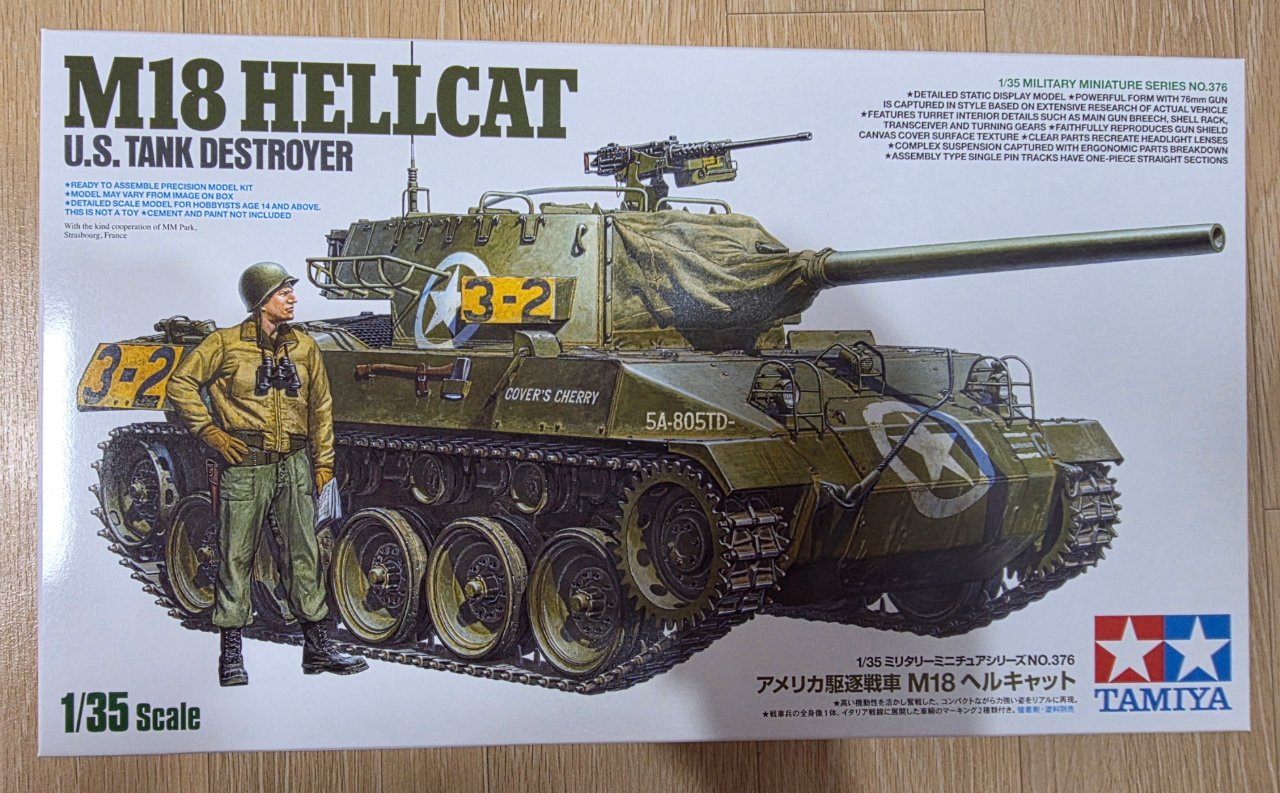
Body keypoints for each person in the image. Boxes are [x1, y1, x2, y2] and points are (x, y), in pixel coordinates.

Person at [166, 261, 368, 686]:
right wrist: (211, 433)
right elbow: (181, 384)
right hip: (245, 464)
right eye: (283, 292)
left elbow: (321, 409)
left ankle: (318, 647)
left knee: (303, 555)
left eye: (291, 290)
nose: (292, 298)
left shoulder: (305, 347)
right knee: (236, 556)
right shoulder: (224, 344)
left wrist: (323, 463)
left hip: (293, 464)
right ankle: (231, 655)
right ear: (261, 301)